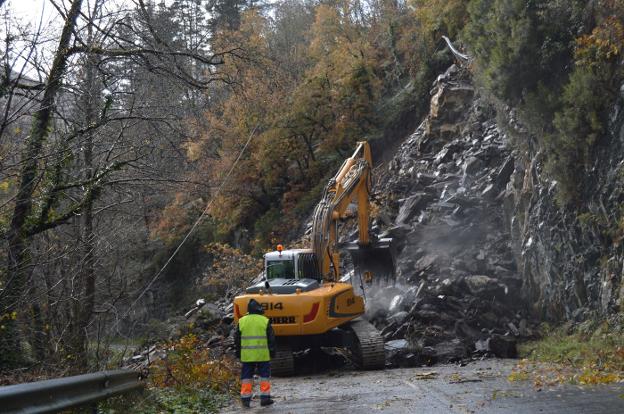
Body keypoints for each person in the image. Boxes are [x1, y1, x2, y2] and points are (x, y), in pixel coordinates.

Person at [235, 298, 276, 408]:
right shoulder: (264, 320)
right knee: (264, 377)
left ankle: (245, 400)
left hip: (247, 356)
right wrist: (272, 352)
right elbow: (271, 338)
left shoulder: (242, 321)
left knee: (246, 377)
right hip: (262, 355)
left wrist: (238, 353)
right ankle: (265, 398)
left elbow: (237, 340)